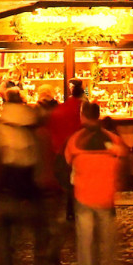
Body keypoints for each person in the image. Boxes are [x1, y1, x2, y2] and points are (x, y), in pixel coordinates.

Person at [63, 102, 127, 265]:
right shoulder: (113, 139)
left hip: (83, 195)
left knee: (85, 242)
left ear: (82, 117)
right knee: (108, 241)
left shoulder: (75, 140)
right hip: (106, 196)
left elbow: (63, 165)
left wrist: (70, 185)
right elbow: (124, 162)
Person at [0, 89, 49, 265]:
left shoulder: (0, 127)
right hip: (30, 184)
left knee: (4, 236)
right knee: (39, 232)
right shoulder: (32, 126)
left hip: (8, 184)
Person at [47, 80, 85, 220]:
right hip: (77, 149)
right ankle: (76, 209)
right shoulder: (82, 109)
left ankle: (69, 210)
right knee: (77, 180)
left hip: (62, 149)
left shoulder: (62, 108)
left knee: (68, 181)